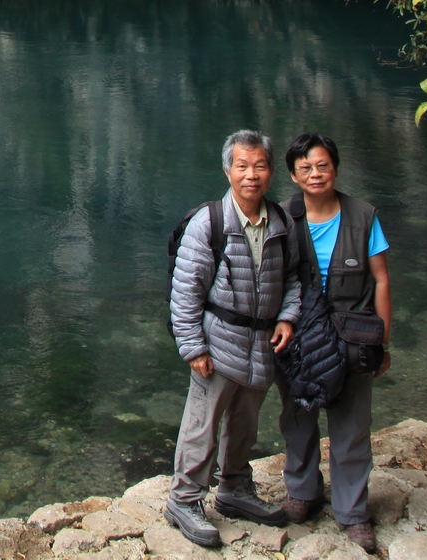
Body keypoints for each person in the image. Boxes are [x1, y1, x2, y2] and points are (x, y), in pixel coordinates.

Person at [167, 130, 302, 549]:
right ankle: (184, 499)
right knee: (202, 425)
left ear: (271, 171)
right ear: (228, 171)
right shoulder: (209, 223)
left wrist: (287, 317)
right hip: (219, 341)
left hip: (262, 344)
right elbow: (186, 291)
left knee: (245, 422)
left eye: (259, 166)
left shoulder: (281, 222)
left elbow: (294, 278)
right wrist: (193, 347)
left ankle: (235, 488)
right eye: (242, 166)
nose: (251, 175)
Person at [278, 133, 392, 553]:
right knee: (298, 418)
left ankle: (353, 511)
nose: (315, 174)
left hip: (352, 337)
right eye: (305, 168)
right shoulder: (282, 218)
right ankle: (302, 492)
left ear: (336, 169)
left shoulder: (363, 217)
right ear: (294, 176)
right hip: (298, 338)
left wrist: (384, 342)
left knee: (352, 425)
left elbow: (381, 280)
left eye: (322, 165)